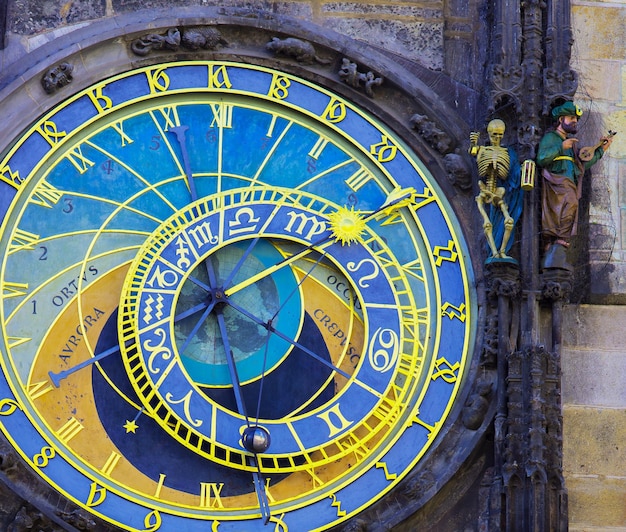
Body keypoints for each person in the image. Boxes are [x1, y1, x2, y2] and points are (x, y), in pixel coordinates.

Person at [537, 101, 614, 267]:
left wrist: (601, 150)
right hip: (555, 184)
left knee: (570, 206)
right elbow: (542, 158)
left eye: (576, 119)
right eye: (571, 118)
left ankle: (558, 241)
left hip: (569, 184)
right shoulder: (552, 138)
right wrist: (560, 147)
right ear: (560, 119)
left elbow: (581, 165)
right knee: (566, 206)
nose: (575, 121)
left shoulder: (571, 143)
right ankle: (554, 240)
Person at [469, 119, 523, 262]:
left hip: (500, 191)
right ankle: (493, 252)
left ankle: (502, 251)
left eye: (500, 135)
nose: (497, 138)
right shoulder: (483, 150)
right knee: (488, 223)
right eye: (494, 135)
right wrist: (474, 144)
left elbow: (514, 171)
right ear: (488, 134)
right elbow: (473, 151)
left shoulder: (508, 153)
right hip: (485, 189)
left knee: (508, 220)